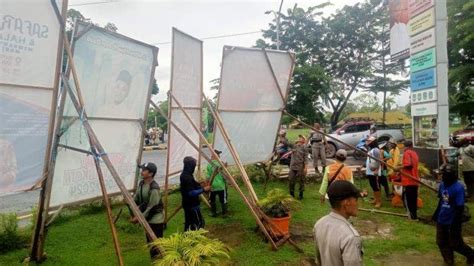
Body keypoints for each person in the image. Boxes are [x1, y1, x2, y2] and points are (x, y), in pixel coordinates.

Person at [314, 180, 363, 266]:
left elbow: (319, 260)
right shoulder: (350, 237)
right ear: (346, 203)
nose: (357, 204)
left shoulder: (319, 224)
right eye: (356, 200)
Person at [433, 164, 474, 265]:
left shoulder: (458, 188)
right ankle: (449, 261)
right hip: (442, 219)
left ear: (449, 175)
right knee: (441, 242)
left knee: (456, 244)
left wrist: (455, 224)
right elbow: (442, 200)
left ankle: (471, 255)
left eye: (443, 174)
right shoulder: (442, 185)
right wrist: (436, 214)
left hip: (453, 221)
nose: (441, 176)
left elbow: (459, 207)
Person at [130, 162, 164, 259]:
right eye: (142, 169)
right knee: (150, 244)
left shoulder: (154, 188)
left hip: (156, 220)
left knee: (156, 246)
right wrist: (130, 201)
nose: (142, 172)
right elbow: (137, 198)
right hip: (147, 219)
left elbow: (152, 207)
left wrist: (139, 218)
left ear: (151, 174)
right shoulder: (141, 184)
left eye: (144, 170)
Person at [180, 156, 209, 231]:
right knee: (199, 223)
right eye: (194, 165)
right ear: (190, 166)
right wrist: (203, 189)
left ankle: (186, 240)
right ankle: (195, 240)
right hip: (192, 205)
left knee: (189, 224)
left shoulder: (185, 174)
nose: (194, 167)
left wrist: (200, 184)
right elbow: (191, 193)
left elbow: (192, 185)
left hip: (188, 204)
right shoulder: (187, 177)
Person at [400, 140, 419, 220]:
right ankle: (414, 216)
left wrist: (399, 168)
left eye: (404, 146)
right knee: (414, 200)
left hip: (408, 180)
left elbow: (408, 165)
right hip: (415, 180)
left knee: (408, 200)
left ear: (407, 146)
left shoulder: (407, 153)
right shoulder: (414, 153)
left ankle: (411, 217)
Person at [289, 135, 311, 200]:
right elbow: (287, 143)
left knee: (301, 181)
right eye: (299, 137)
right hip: (292, 166)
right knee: (291, 180)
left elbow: (306, 158)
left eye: (301, 138)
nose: (299, 138)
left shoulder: (305, 148)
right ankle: (291, 194)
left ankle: (301, 194)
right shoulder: (294, 146)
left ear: (303, 140)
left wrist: (306, 168)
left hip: (300, 167)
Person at [207, 150, 228, 217]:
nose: (219, 156)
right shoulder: (221, 164)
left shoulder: (209, 165)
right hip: (221, 186)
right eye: (218, 154)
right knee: (223, 200)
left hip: (212, 186)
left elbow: (208, 177)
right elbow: (225, 176)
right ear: (214, 156)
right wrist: (226, 183)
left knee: (212, 200)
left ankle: (214, 213)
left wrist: (208, 184)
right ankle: (224, 213)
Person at [366, 136, 382, 208]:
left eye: (369, 141)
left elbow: (378, 160)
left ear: (373, 142)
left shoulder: (376, 150)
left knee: (376, 187)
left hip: (374, 172)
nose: (367, 142)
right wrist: (362, 166)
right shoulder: (370, 150)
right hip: (370, 171)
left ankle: (378, 202)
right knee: (373, 186)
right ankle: (375, 199)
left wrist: (376, 170)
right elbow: (368, 160)